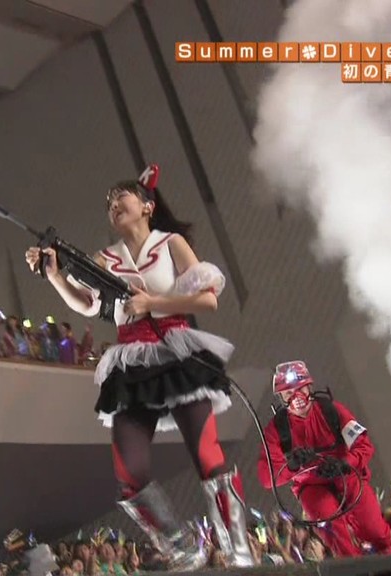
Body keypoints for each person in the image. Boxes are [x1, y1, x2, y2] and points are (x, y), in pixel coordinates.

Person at [25, 164, 253, 570]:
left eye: (121, 197)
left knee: (208, 456)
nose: (113, 205)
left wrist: (153, 303)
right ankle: (180, 547)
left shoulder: (170, 243)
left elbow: (207, 300)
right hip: (131, 358)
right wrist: (56, 276)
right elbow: (88, 303)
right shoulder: (105, 258)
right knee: (129, 471)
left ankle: (239, 552)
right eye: (108, 203)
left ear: (147, 206)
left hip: (177, 350)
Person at [257, 360, 391, 557]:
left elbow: (363, 445)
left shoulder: (332, 411)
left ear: (310, 387)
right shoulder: (277, 430)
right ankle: (353, 566)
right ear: (281, 398)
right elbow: (266, 478)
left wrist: (346, 463)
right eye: (288, 393)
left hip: (347, 475)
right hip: (311, 486)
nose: (296, 397)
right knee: (334, 531)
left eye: (300, 389)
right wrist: (292, 466)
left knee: (374, 528)